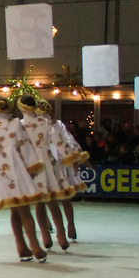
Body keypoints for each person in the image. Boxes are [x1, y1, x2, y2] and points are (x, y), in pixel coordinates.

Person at [0, 96, 49, 263]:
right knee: (24, 210)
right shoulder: (15, 123)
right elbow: (25, 146)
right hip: (16, 169)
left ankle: (21, 246)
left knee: (14, 210)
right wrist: (31, 168)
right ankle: (34, 245)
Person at [18, 95, 72, 252]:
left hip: (33, 164)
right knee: (51, 202)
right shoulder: (44, 122)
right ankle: (59, 234)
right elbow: (59, 142)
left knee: (40, 203)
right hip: (46, 163)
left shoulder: (20, 125)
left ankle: (46, 234)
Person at [40, 98, 88, 242]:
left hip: (54, 161)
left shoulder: (53, 125)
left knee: (51, 197)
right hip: (55, 160)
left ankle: (63, 227)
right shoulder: (55, 124)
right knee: (62, 197)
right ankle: (68, 226)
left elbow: (68, 141)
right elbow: (70, 142)